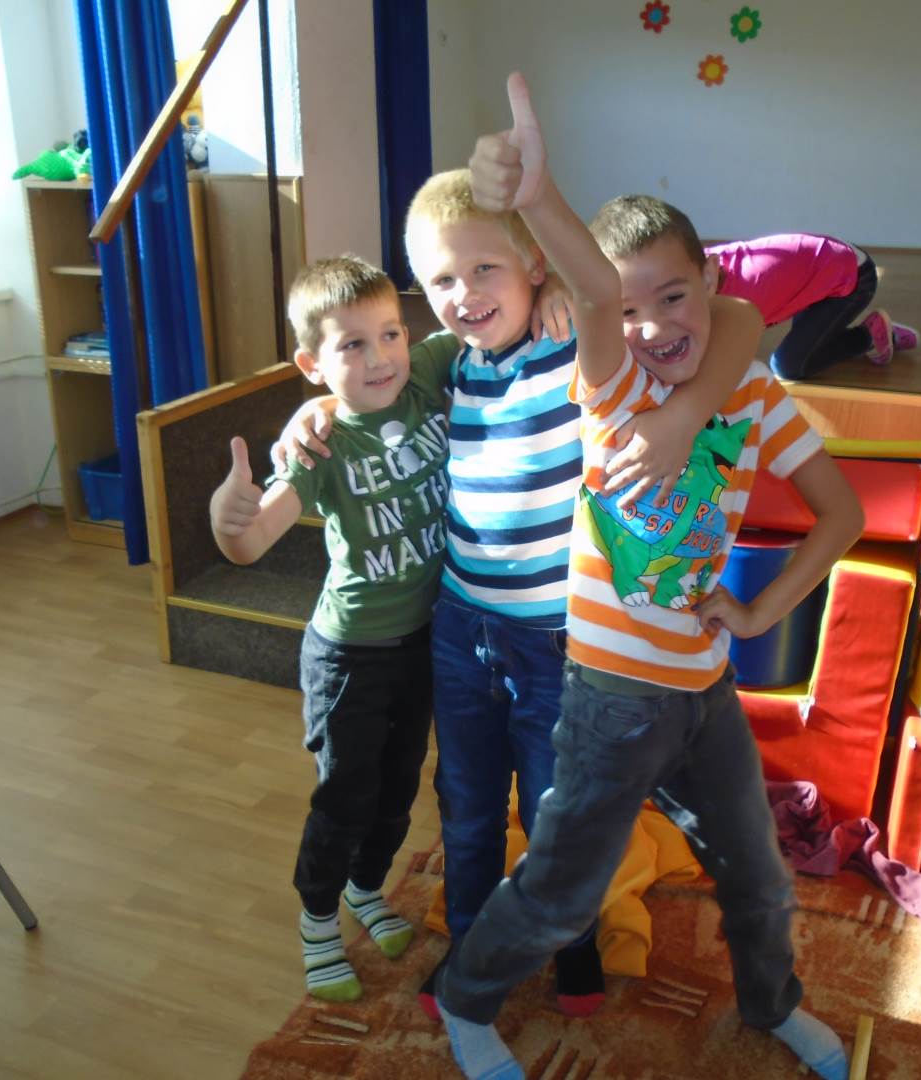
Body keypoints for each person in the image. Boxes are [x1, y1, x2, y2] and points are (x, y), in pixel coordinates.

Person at [431, 74, 865, 1080]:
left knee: (760, 879)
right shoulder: (613, 387)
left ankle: (772, 1006)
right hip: (611, 701)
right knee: (563, 893)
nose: (652, 324)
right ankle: (465, 998)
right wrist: (538, 195)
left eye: (673, 296)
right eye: (628, 309)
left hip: (705, 692)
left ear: (709, 281)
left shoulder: (750, 391)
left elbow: (840, 514)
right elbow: (593, 293)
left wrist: (758, 608)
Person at [274, 153, 753, 1022]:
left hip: (556, 639)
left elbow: (742, 315)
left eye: (484, 268)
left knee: (552, 807)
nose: (464, 295)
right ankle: (469, 948)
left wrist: (570, 287)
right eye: (441, 281)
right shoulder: (444, 364)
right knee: (465, 806)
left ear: (533, 264)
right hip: (461, 630)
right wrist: (317, 410)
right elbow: (362, 382)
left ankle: (570, 948)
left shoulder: (576, 341)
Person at [209, 255, 459, 1003]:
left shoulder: (425, 378)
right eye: (353, 344)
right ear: (312, 365)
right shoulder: (320, 446)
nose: (381, 356)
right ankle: (318, 917)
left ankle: (364, 887)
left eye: (391, 333)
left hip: (422, 644)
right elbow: (253, 541)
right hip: (349, 656)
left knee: (398, 787)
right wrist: (229, 519)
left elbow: (487, 317)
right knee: (347, 794)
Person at [705, 231, 920, 378]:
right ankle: (880, 332)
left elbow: (727, 360)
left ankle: (867, 337)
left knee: (788, 366)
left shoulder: (737, 300)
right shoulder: (704, 265)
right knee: (807, 344)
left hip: (855, 276)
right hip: (829, 265)